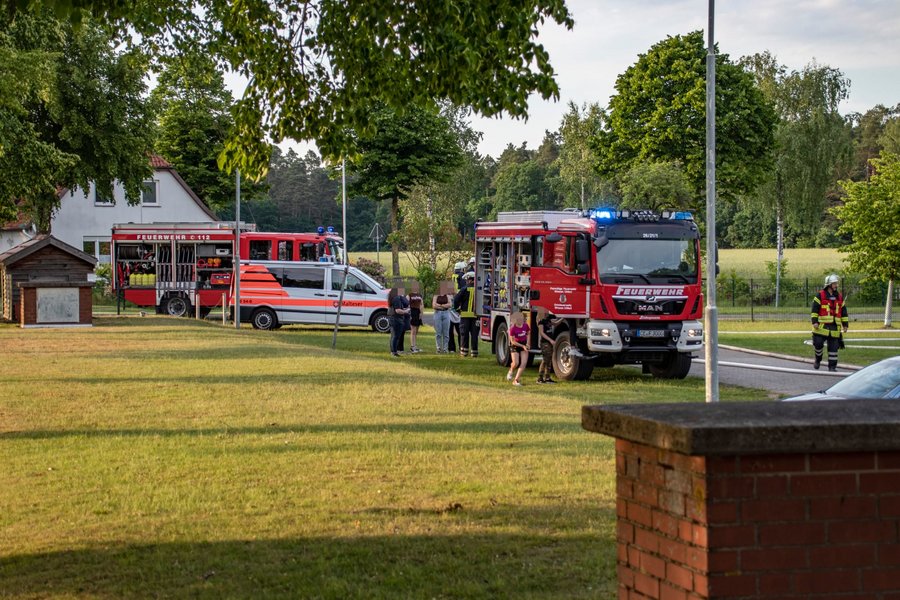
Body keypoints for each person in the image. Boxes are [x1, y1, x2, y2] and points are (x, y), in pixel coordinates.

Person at [811, 273, 849, 372]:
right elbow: (814, 309)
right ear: (829, 285)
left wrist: (845, 325)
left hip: (835, 328)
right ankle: (818, 359)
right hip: (821, 327)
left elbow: (843, 312)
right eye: (834, 283)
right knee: (818, 344)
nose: (836, 285)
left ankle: (832, 367)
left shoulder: (839, 297)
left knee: (833, 349)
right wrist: (814, 321)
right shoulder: (820, 295)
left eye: (836, 283)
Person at [454, 271, 479, 357]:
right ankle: (474, 352)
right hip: (476, 316)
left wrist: (457, 309)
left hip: (465, 316)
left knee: (464, 334)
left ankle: (464, 352)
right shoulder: (479, 290)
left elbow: (456, 300)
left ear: (470, 280)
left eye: (467, 279)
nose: (466, 281)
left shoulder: (464, 289)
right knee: (474, 335)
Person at [536, 307, 560, 384]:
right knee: (545, 360)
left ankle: (547, 377)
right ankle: (540, 378)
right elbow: (541, 333)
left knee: (549, 360)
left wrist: (563, 318)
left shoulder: (548, 319)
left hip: (549, 343)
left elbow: (555, 323)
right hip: (545, 343)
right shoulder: (541, 321)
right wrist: (550, 340)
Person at [506, 311, 530, 386]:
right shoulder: (512, 329)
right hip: (515, 345)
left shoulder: (526, 325)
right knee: (515, 363)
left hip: (523, 344)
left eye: (522, 318)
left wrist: (527, 343)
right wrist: (522, 346)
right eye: (519, 319)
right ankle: (511, 370)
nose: (521, 320)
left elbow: (528, 333)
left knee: (524, 363)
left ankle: (516, 380)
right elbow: (512, 341)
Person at [432, 281, 453, 353]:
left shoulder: (447, 295)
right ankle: (438, 348)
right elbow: (434, 305)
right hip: (437, 313)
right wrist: (444, 305)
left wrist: (440, 305)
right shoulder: (436, 295)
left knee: (446, 333)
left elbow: (450, 305)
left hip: (446, 313)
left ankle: (445, 348)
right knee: (438, 332)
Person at [388, 287, 410, 357]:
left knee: (393, 336)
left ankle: (393, 351)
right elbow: (397, 310)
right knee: (396, 336)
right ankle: (394, 352)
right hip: (396, 319)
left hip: (392, 318)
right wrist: (405, 311)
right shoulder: (397, 298)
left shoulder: (391, 298)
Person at [408, 282, 423, 353]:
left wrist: (421, 313)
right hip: (412, 312)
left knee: (416, 330)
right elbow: (407, 304)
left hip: (418, 312)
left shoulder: (419, 295)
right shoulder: (409, 295)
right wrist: (409, 314)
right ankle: (412, 347)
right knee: (413, 330)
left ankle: (415, 345)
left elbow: (421, 304)